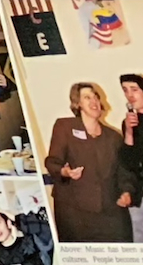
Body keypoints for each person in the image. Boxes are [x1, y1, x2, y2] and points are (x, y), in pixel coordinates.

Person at [43, 80, 131, 242]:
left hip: (110, 210)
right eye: (87, 97)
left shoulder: (114, 137)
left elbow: (124, 171)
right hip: (74, 212)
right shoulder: (65, 127)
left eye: (95, 97)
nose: (94, 101)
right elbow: (52, 161)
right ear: (77, 104)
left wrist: (126, 191)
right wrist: (65, 172)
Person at [119, 72, 143, 244]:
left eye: (134, 89)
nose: (129, 95)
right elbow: (130, 163)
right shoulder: (129, 124)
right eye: (125, 90)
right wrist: (129, 132)